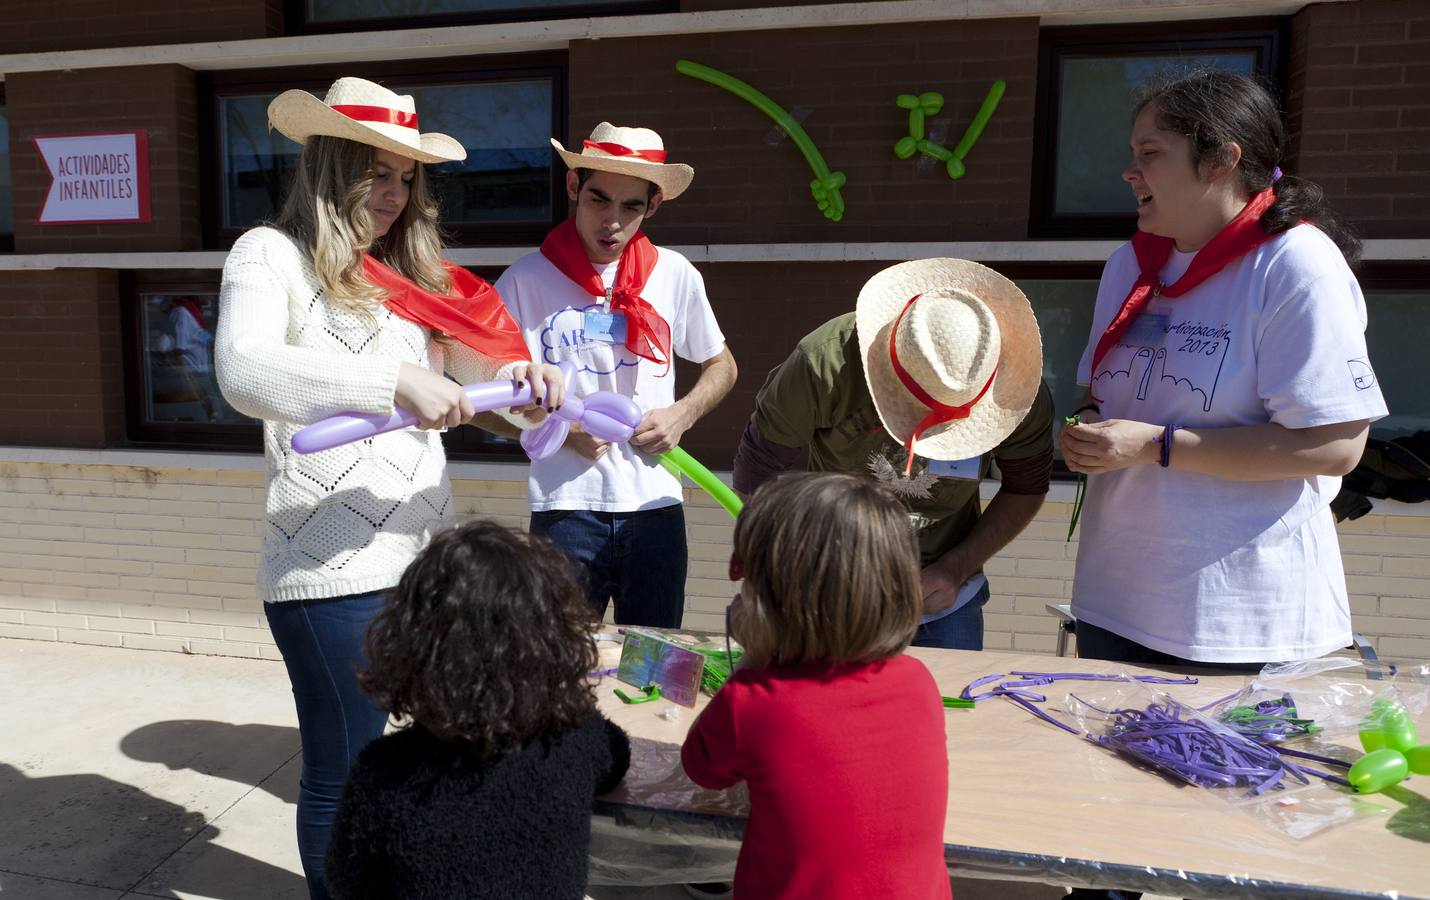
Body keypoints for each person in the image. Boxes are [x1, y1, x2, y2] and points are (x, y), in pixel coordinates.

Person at [215, 76, 564, 900]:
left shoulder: (416, 278)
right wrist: (391, 380)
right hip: (329, 573)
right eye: (377, 173)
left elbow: (485, 382)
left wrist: (526, 379)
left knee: (433, 759)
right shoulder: (269, 255)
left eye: (407, 178)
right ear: (331, 167)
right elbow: (241, 370)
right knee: (344, 773)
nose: (394, 194)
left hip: (424, 567)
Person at [1058, 69, 1387, 898]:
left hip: (1246, 624)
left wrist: (1155, 444)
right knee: (1106, 836)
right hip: (1119, 602)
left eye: (1149, 154)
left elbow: (1337, 444)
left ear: (1221, 160)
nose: (1129, 173)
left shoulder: (1294, 263)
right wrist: (1093, 434)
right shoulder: (1128, 265)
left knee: (1245, 849)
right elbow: (1121, 402)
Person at [478, 121, 737, 629]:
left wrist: (683, 414)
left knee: (653, 665)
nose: (612, 222)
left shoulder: (675, 274)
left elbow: (721, 365)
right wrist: (561, 431)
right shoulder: (525, 280)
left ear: (653, 206)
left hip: (657, 504)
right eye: (599, 199)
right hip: (565, 508)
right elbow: (480, 402)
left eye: (631, 207)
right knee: (560, 668)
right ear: (574, 187)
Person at [732, 258, 1054, 650]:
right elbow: (756, 474)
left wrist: (954, 569)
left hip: (943, 599)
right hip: (832, 595)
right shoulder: (826, 362)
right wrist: (803, 568)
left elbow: (1027, 487)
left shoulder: (1016, 393)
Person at [324, 521, 631, 899]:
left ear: (410, 645)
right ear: (551, 638)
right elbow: (617, 759)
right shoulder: (577, 737)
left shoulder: (382, 771)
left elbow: (345, 881)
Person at [681, 472, 951, 900]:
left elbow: (702, 770)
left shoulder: (750, 702)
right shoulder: (919, 682)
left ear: (774, 599)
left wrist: (752, 658)